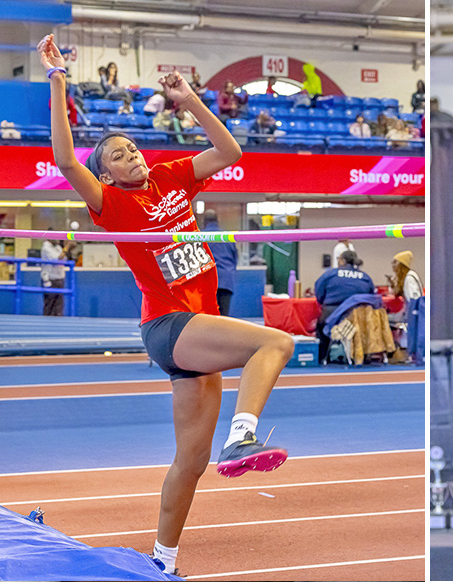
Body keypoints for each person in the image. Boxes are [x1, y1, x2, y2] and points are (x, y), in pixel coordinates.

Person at [38, 34, 295, 576]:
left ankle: (163, 561)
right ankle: (244, 435)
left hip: (190, 335)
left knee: (190, 462)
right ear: (104, 174)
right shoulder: (113, 203)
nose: (130, 155)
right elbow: (63, 158)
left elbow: (231, 153)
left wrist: (191, 100)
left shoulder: (172, 176)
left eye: (131, 147)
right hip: (169, 324)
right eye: (117, 155)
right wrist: (59, 79)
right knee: (276, 341)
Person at [314, 250, 374, 364]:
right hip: (359, 315)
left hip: (332, 313)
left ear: (342, 261)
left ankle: (323, 356)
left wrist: (323, 302)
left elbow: (319, 292)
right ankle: (364, 355)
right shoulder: (365, 277)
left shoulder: (330, 274)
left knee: (321, 326)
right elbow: (371, 296)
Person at [201, 210, 237, 317]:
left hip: (206, 281)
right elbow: (235, 259)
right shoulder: (227, 237)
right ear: (217, 220)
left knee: (208, 317)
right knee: (224, 318)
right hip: (226, 280)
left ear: (204, 221)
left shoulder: (198, 237)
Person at [40, 237, 68, 316]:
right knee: (49, 304)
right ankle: (47, 324)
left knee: (59, 305)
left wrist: (64, 250)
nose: (57, 240)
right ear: (50, 238)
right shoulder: (46, 248)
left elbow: (64, 260)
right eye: (55, 237)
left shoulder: (58, 248)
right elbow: (57, 260)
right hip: (50, 279)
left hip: (60, 278)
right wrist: (67, 248)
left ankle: (59, 325)